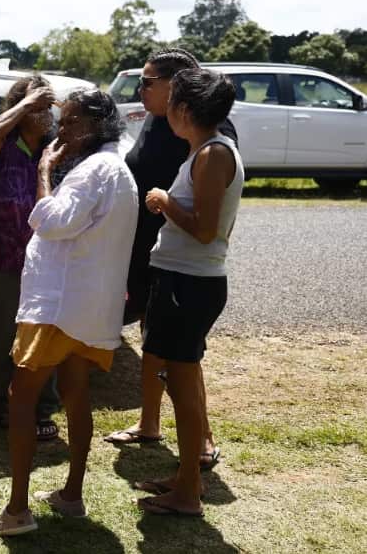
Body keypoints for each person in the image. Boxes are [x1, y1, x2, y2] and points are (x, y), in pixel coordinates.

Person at [0, 89, 138, 535]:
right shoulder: (115, 169)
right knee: (75, 393)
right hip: (86, 308)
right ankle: (71, 495)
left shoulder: (91, 171)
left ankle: (16, 511)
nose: (61, 130)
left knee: (22, 399)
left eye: (69, 122)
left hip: (58, 306)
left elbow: (50, 221)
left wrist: (45, 170)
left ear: (92, 126)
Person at [104, 49, 237, 473]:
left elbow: (206, 219)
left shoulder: (209, 138)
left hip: (188, 267)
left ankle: (201, 443)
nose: (140, 91)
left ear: (178, 89)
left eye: (147, 83)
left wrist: (164, 203)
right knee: (154, 342)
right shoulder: (160, 121)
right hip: (153, 254)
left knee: (183, 358)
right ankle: (149, 424)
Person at [133, 69, 243, 517]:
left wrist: (163, 201)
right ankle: (184, 479)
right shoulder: (203, 150)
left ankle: (188, 491)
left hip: (190, 282)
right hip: (183, 279)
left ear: (184, 110)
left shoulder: (213, 154)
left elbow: (205, 230)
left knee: (182, 388)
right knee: (181, 381)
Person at [0, 74, 61, 441]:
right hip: (8, 257)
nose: (46, 115)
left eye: (48, 107)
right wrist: (25, 104)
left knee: (43, 335)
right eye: (39, 108)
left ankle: (43, 411)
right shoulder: (4, 144)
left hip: (49, 258)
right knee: (4, 336)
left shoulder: (55, 148)